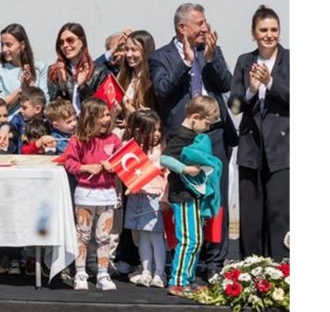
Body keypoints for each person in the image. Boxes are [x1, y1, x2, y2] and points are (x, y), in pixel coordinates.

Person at [149, 2, 236, 278]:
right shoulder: (160, 57)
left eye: (205, 22)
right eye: (199, 23)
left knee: (215, 197)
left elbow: (225, 85)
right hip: (183, 139)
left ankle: (214, 262)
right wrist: (186, 62)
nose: (205, 27)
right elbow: (162, 91)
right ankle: (185, 260)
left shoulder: (210, 50)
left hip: (214, 135)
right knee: (186, 198)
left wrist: (210, 59)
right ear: (182, 27)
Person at [228, 5, 289, 260]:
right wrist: (251, 89)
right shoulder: (245, 61)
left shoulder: (292, 60)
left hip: (281, 149)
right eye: (263, 30)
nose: (269, 35)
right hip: (251, 149)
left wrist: (270, 83)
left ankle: (283, 270)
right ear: (254, 33)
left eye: (274, 29)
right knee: (251, 216)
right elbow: (234, 106)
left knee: (279, 214)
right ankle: (252, 271)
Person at [159, 96, 221, 297]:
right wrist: (185, 169)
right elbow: (166, 158)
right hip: (183, 196)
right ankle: (177, 281)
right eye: (206, 123)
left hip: (191, 195)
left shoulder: (190, 134)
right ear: (195, 117)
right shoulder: (182, 135)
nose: (208, 128)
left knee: (196, 239)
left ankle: (187, 278)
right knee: (188, 239)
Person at [63, 98, 121, 291]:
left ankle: (103, 273)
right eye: (101, 115)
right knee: (83, 235)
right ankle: (80, 272)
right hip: (85, 194)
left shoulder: (113, 139)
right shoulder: (78, 140)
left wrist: (113, 167)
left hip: (107, 194)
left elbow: (124, 162)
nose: (106, 119)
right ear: (90, 118)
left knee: (104, 236)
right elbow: (69, 163)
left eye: (107, 115)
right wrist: (85, 167)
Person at [122, 109, 168, 289]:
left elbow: (166, 173)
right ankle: (146, 270)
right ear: (139, 131)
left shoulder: (162, 148)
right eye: (152, 130)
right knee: (141, 236)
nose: (157, 134)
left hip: (154, 196)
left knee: (156, 236)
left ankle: (160, 272)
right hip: (136, 196)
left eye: (158, 130)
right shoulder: (131, 148)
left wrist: (165, 198)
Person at [0, 23, 48, 119]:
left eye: (9, 45)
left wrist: (31, 87)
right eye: (2, 45)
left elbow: (46, 104)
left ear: (22, 45)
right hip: (9, 126)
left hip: (35, 126)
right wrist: (21, 90)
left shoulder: (39, 67)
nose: (4, 49)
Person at [47, 23, 109, 112]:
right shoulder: (55, 70)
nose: (65, 45)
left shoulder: (98, 71)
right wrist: (61, 86)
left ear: (82, 42)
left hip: (89, 124)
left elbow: (99, 108)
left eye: (70, 40)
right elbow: (54, 110)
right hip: (66, 124)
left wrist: (83, 87)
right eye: (61, 42)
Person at [116, 30, 157, 126]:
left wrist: (134, 114)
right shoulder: (123, 76)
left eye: (134, 50)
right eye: (126, 49)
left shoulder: (153, 77)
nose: (129, 54)